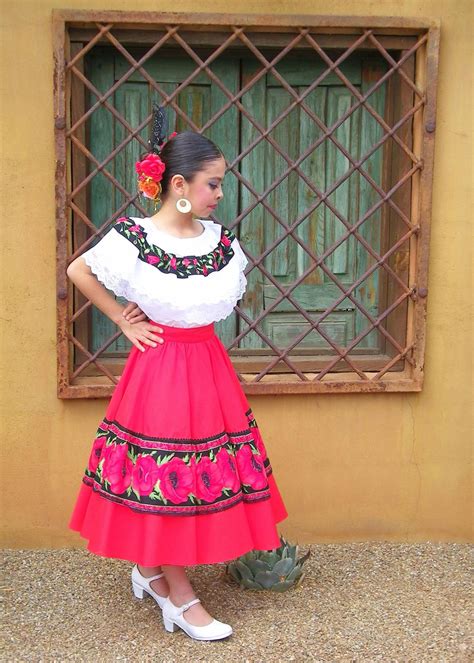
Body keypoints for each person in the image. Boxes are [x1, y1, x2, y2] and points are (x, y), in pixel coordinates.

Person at [67, 105, 288, 641]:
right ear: (179, 184)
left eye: (221, 184)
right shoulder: (135, 237)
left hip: (208, 367)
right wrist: (122, 319)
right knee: (166, 481)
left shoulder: (221, 243)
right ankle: (180, 596)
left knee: (196, 477)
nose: (219, 194)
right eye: (213, 184)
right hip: (159, 368)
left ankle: (150, 570)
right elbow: (78, 269)